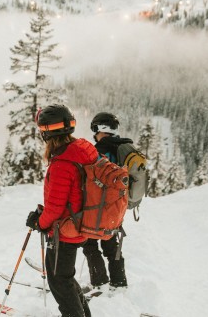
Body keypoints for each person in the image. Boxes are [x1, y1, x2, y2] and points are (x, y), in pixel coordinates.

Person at [25, 104, 98, 317]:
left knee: (59, 281)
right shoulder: (83, 149)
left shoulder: (62, 163)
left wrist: (40, 222)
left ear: (47, 133)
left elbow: (56, 207)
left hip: (66, 231)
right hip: (81, 222)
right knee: (65, 277)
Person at [82, 112, 132, 289]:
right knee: (111, 245)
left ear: (99, 128)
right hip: (118, 206)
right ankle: (119, 282)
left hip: (101, 206)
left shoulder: (101, 150)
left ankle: (100, 283)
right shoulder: (123, 147)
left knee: (89, 243)